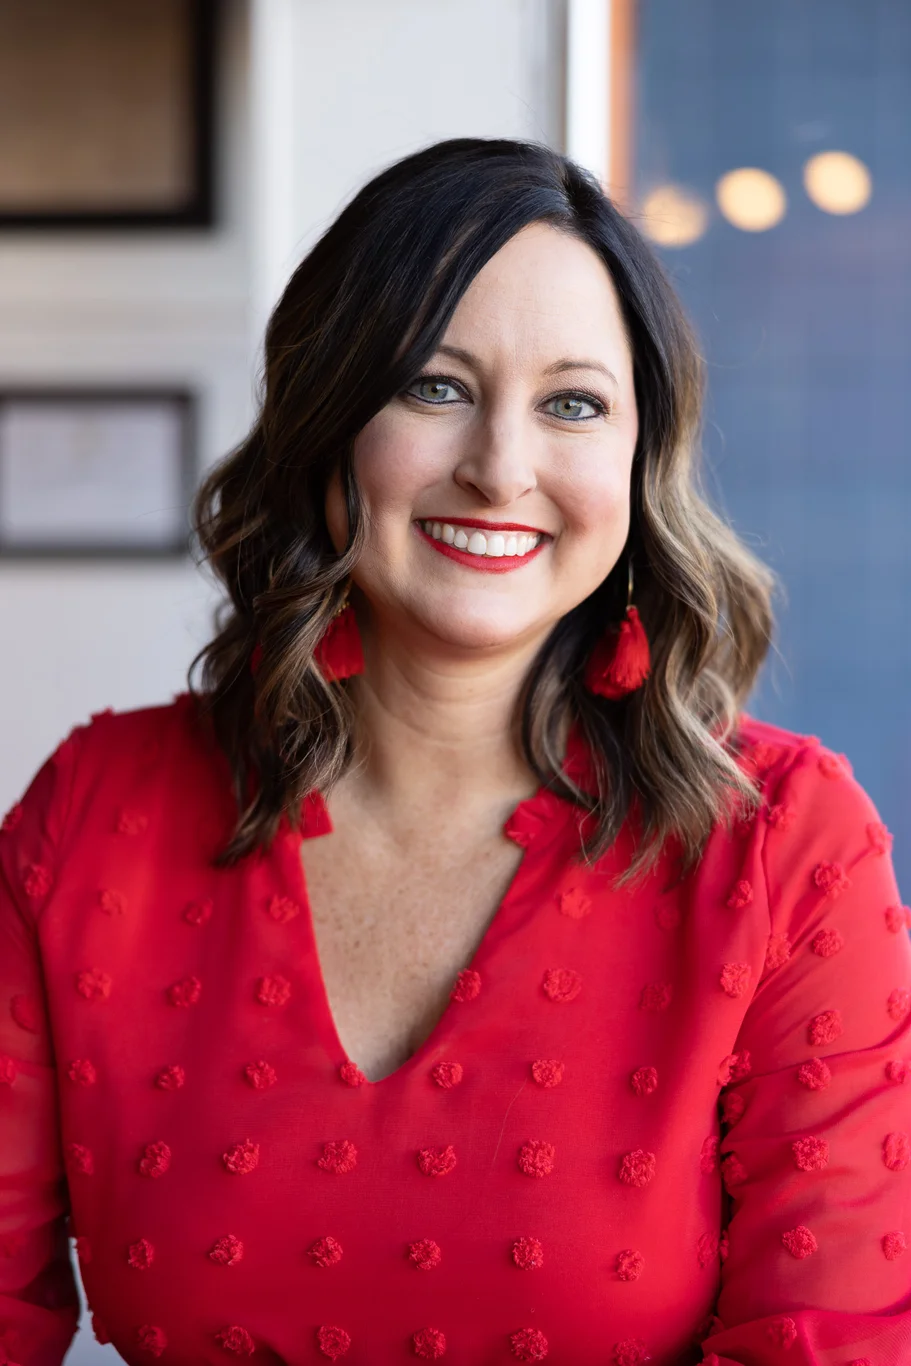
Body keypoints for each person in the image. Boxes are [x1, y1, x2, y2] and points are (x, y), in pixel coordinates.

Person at [1, 137, 909, 1366]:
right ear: (329, 425)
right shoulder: (94, 816)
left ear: (638, 468)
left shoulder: (786, 846)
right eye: (435, 386)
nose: (498, 467)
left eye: (572, 404)